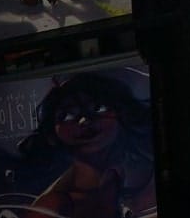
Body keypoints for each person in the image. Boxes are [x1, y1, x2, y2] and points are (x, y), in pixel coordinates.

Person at [17, 70, 156, 218]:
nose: (84, 121)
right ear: (52, 134)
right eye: (68, 115)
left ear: (121, 112)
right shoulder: (53, 206)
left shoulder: (147, 170)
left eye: (98, 108)